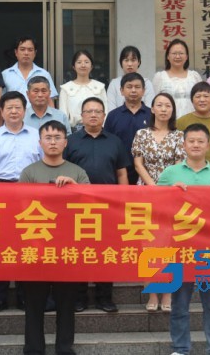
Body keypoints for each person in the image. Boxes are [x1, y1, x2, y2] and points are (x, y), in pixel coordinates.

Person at [158, 123, 210, 355]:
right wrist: (171, 193)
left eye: (200, 141)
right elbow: (154, 205)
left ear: (208, 146)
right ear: (184, 145)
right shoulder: (170, 174)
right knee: (179, 303)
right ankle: (180, 348)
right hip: (180, 247)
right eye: (191, 141)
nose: (196, 145)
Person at [19, 120, 88, 355]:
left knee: (66, 305)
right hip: (36, 246)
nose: (52, 142)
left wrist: (74, 187)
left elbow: (91, 204)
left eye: (57, 137)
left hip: (67, 248)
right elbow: (20, 207)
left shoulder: (77, 172)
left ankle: (65, 349)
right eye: (48, 138)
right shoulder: (29, 172)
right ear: (40, 143)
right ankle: (33, 349)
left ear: (65, 142)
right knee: (34, 305)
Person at [0, 91, 42, 314]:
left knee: (27, 245)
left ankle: (25, 296)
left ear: (25, 110)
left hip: (29, 192)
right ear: (1, 111)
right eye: (9, 108)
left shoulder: (37, 136)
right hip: (0, 192)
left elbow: (44, 165)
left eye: (18, 107)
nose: (14, 112)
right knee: (1, 246)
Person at [63, 97, 129, 313]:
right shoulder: (70, 141)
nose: (93, 115)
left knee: (105, 252)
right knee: (79, 252)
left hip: (108, 206)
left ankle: (104, 297)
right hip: (77, 207)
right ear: (81, 116)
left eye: (97, 111)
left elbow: (121, 173)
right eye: (89, 111)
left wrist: (123, 201)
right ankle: (79, 297)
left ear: (104, 116)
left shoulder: (115, 141)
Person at [132, 92, 184, 313]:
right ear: (152, 109)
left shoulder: (179, 135)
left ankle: (168, 293)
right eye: (159, 105)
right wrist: (153, 186)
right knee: (148, 244)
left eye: (167, 106)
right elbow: (138, 163)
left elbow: (179, 164)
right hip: (146, 193)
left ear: (172, 110)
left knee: (170, 244)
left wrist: (165, 188)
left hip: (171, 194)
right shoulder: (142, 134)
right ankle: (152, 292)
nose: (163, 109)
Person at [104, 72, 151, 183]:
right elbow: (107, 143)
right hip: (119, 170)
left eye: (137, 87)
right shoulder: (113, 116)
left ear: (143, 91)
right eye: (129, 87)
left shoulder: (152, 115)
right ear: (121, 91)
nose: (133, 90)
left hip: (147, 170)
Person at [152, 39, 203, 119]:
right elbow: (154, 102)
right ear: (168, 56)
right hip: (167, 122)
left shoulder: (194, 76)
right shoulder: (160, 77)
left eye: (181, 53)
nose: (177, 56)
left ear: (186, 57)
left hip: (192, 122)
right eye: (174, 53)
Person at [58, 50, 108, 130]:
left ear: (91, 66)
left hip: (97, 129)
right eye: (79, 62)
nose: (83, 65)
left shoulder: (100, 87)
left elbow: (106, 112)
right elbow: (63, 116)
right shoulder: (66, 89)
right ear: (73, 66)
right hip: (74, 131)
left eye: (86, 62)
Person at [2, 36, 57, 103]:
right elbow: (1, 101)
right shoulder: (5, 74)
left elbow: (50, 101)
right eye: (22, 49)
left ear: (35, 53)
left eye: (30, 50)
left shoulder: (44, 74)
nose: (26, 53)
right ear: (16, 52)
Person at [107, 45, 154, 109]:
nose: (129, 64)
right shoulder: (114, 84)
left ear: (139, 62)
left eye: (133, 60)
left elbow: (149, 108)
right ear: (121, 62)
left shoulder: (147, 83)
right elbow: (111, 109)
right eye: (126, 60)